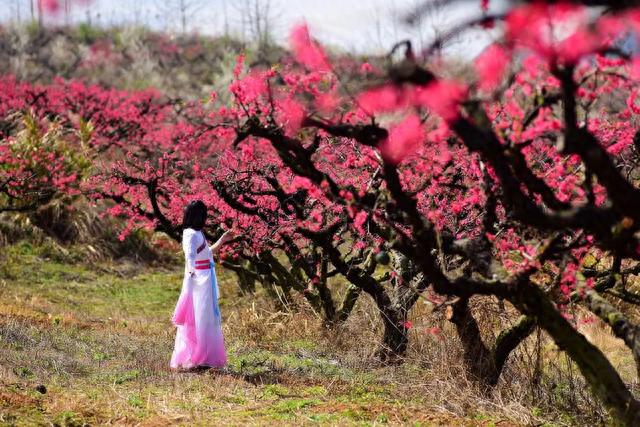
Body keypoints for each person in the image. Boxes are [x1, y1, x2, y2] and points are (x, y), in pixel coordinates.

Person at [170, 200, 232, 370]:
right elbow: (189, 256)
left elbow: (206, 253)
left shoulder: (197, 233)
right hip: (199, 280)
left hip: (205, 278)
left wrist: (222, 240)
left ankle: (204, 358)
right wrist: (191, 274)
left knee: (206, 319)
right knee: (200, 319)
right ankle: (196, 358)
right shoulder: (190, 233)